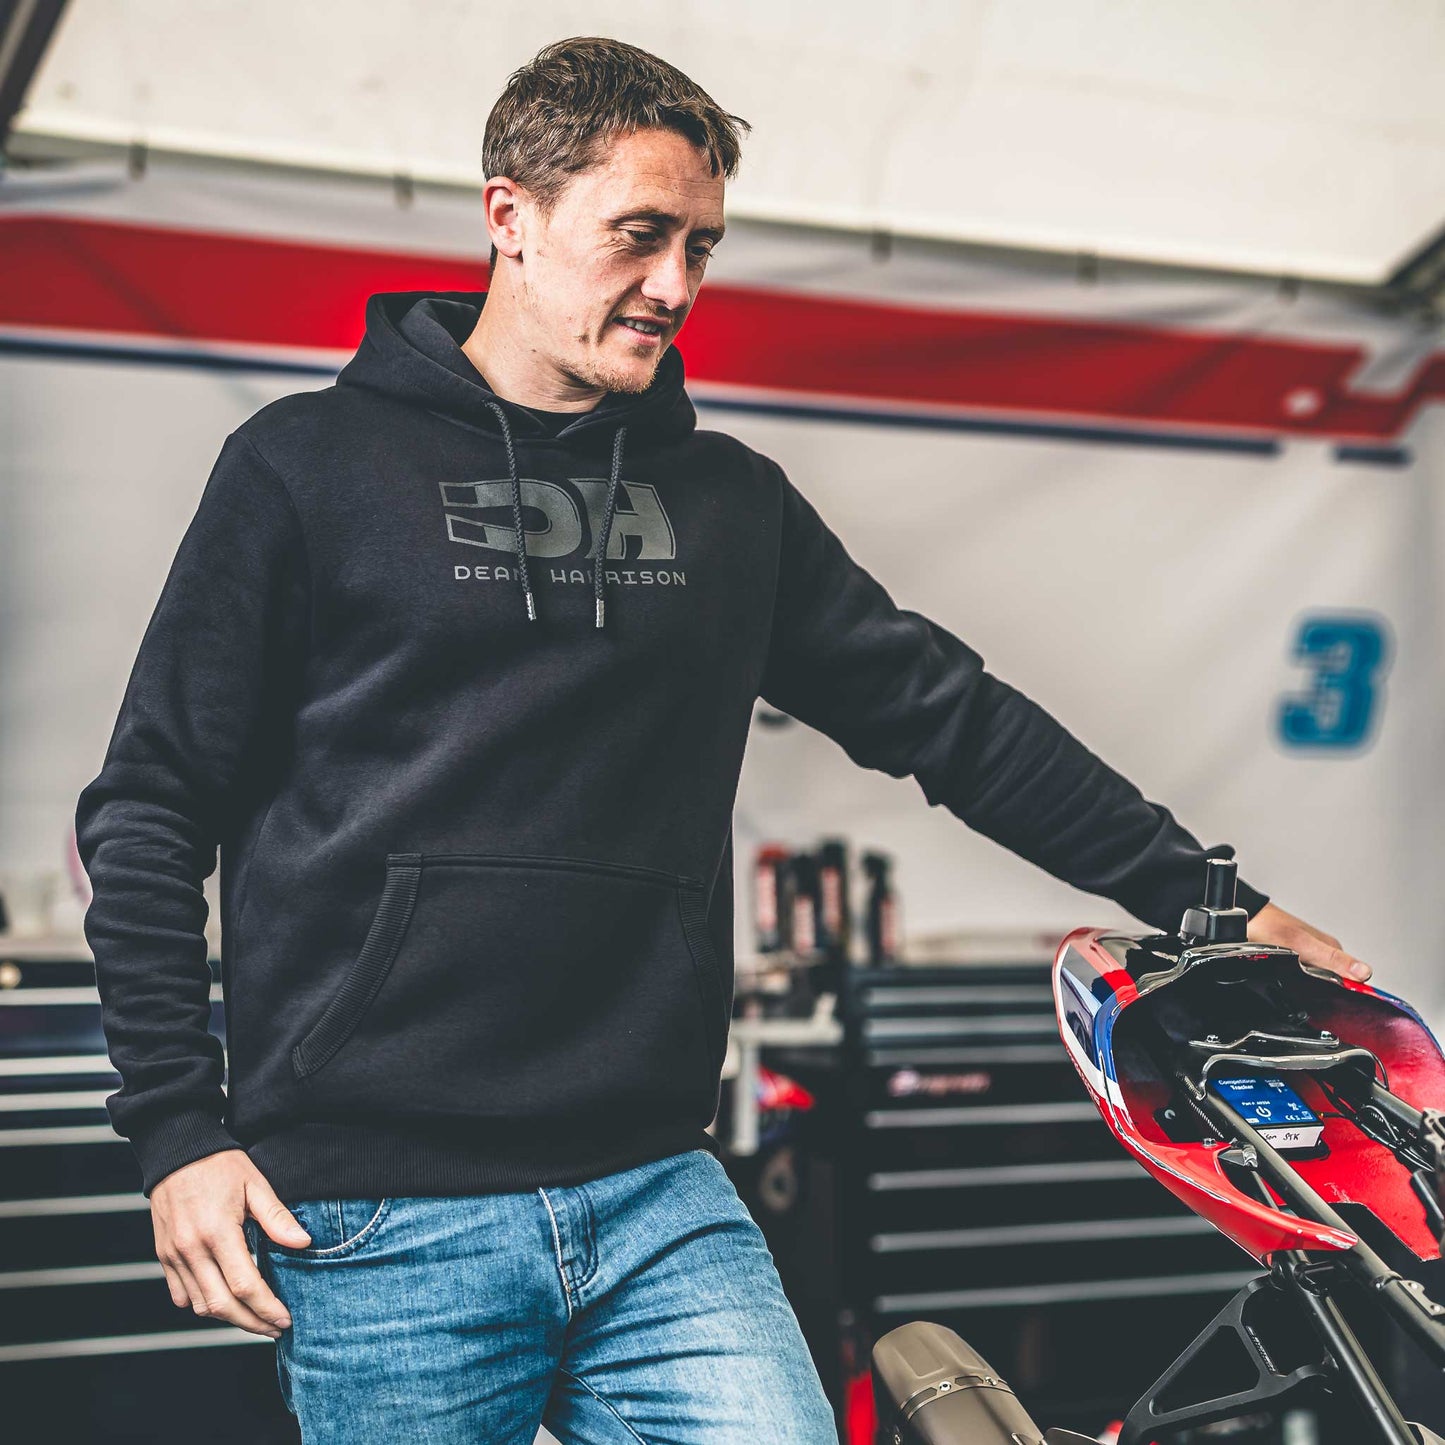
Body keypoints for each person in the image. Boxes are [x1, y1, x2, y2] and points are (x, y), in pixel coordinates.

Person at [75, 35, 1373, 1445]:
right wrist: (177, 1132)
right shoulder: (303, 467)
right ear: (509, 216)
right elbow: (148, 805)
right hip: (380, 1200)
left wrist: (1206, 901)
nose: (675, 288)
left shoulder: (728, 506)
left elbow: (948, 716)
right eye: (639, 237)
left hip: (653, 1183)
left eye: (700, 244)